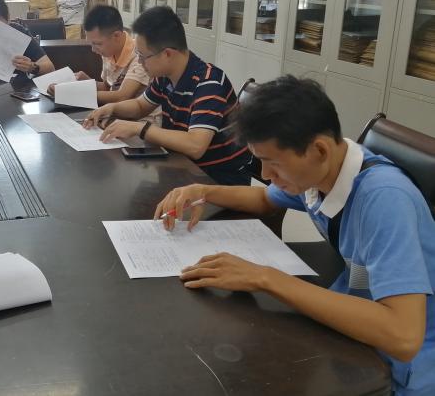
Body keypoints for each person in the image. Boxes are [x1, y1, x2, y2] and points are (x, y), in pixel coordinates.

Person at [154, 75, 434, 395]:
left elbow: (404, 337)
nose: (265, 175)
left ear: (319, 150)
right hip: (352, 320)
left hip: (404, 362)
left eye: (272, 163)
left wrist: (266, 278)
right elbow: (264, 199)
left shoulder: (385, 199)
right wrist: (202, 191)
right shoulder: (324, 171)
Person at [83, 6, 250, 185]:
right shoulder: (165, 77)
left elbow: (195, 146)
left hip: (218, 182)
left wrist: (140, 129)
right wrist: (111, 108)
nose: (139, 61)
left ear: (167, 54)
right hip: (184, 169)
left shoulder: (209, 84)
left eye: (143, 56)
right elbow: (140, 106)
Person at [46, 5, 151, 105]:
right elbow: (108, 87)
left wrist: (73, 93)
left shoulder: (140, 57)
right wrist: (87, 81)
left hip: (140, 116)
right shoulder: (109, 52)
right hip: (115, 111)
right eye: (91, 44)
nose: (93, 49)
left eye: (97, 44)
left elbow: (121, 96)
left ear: (116, 36)